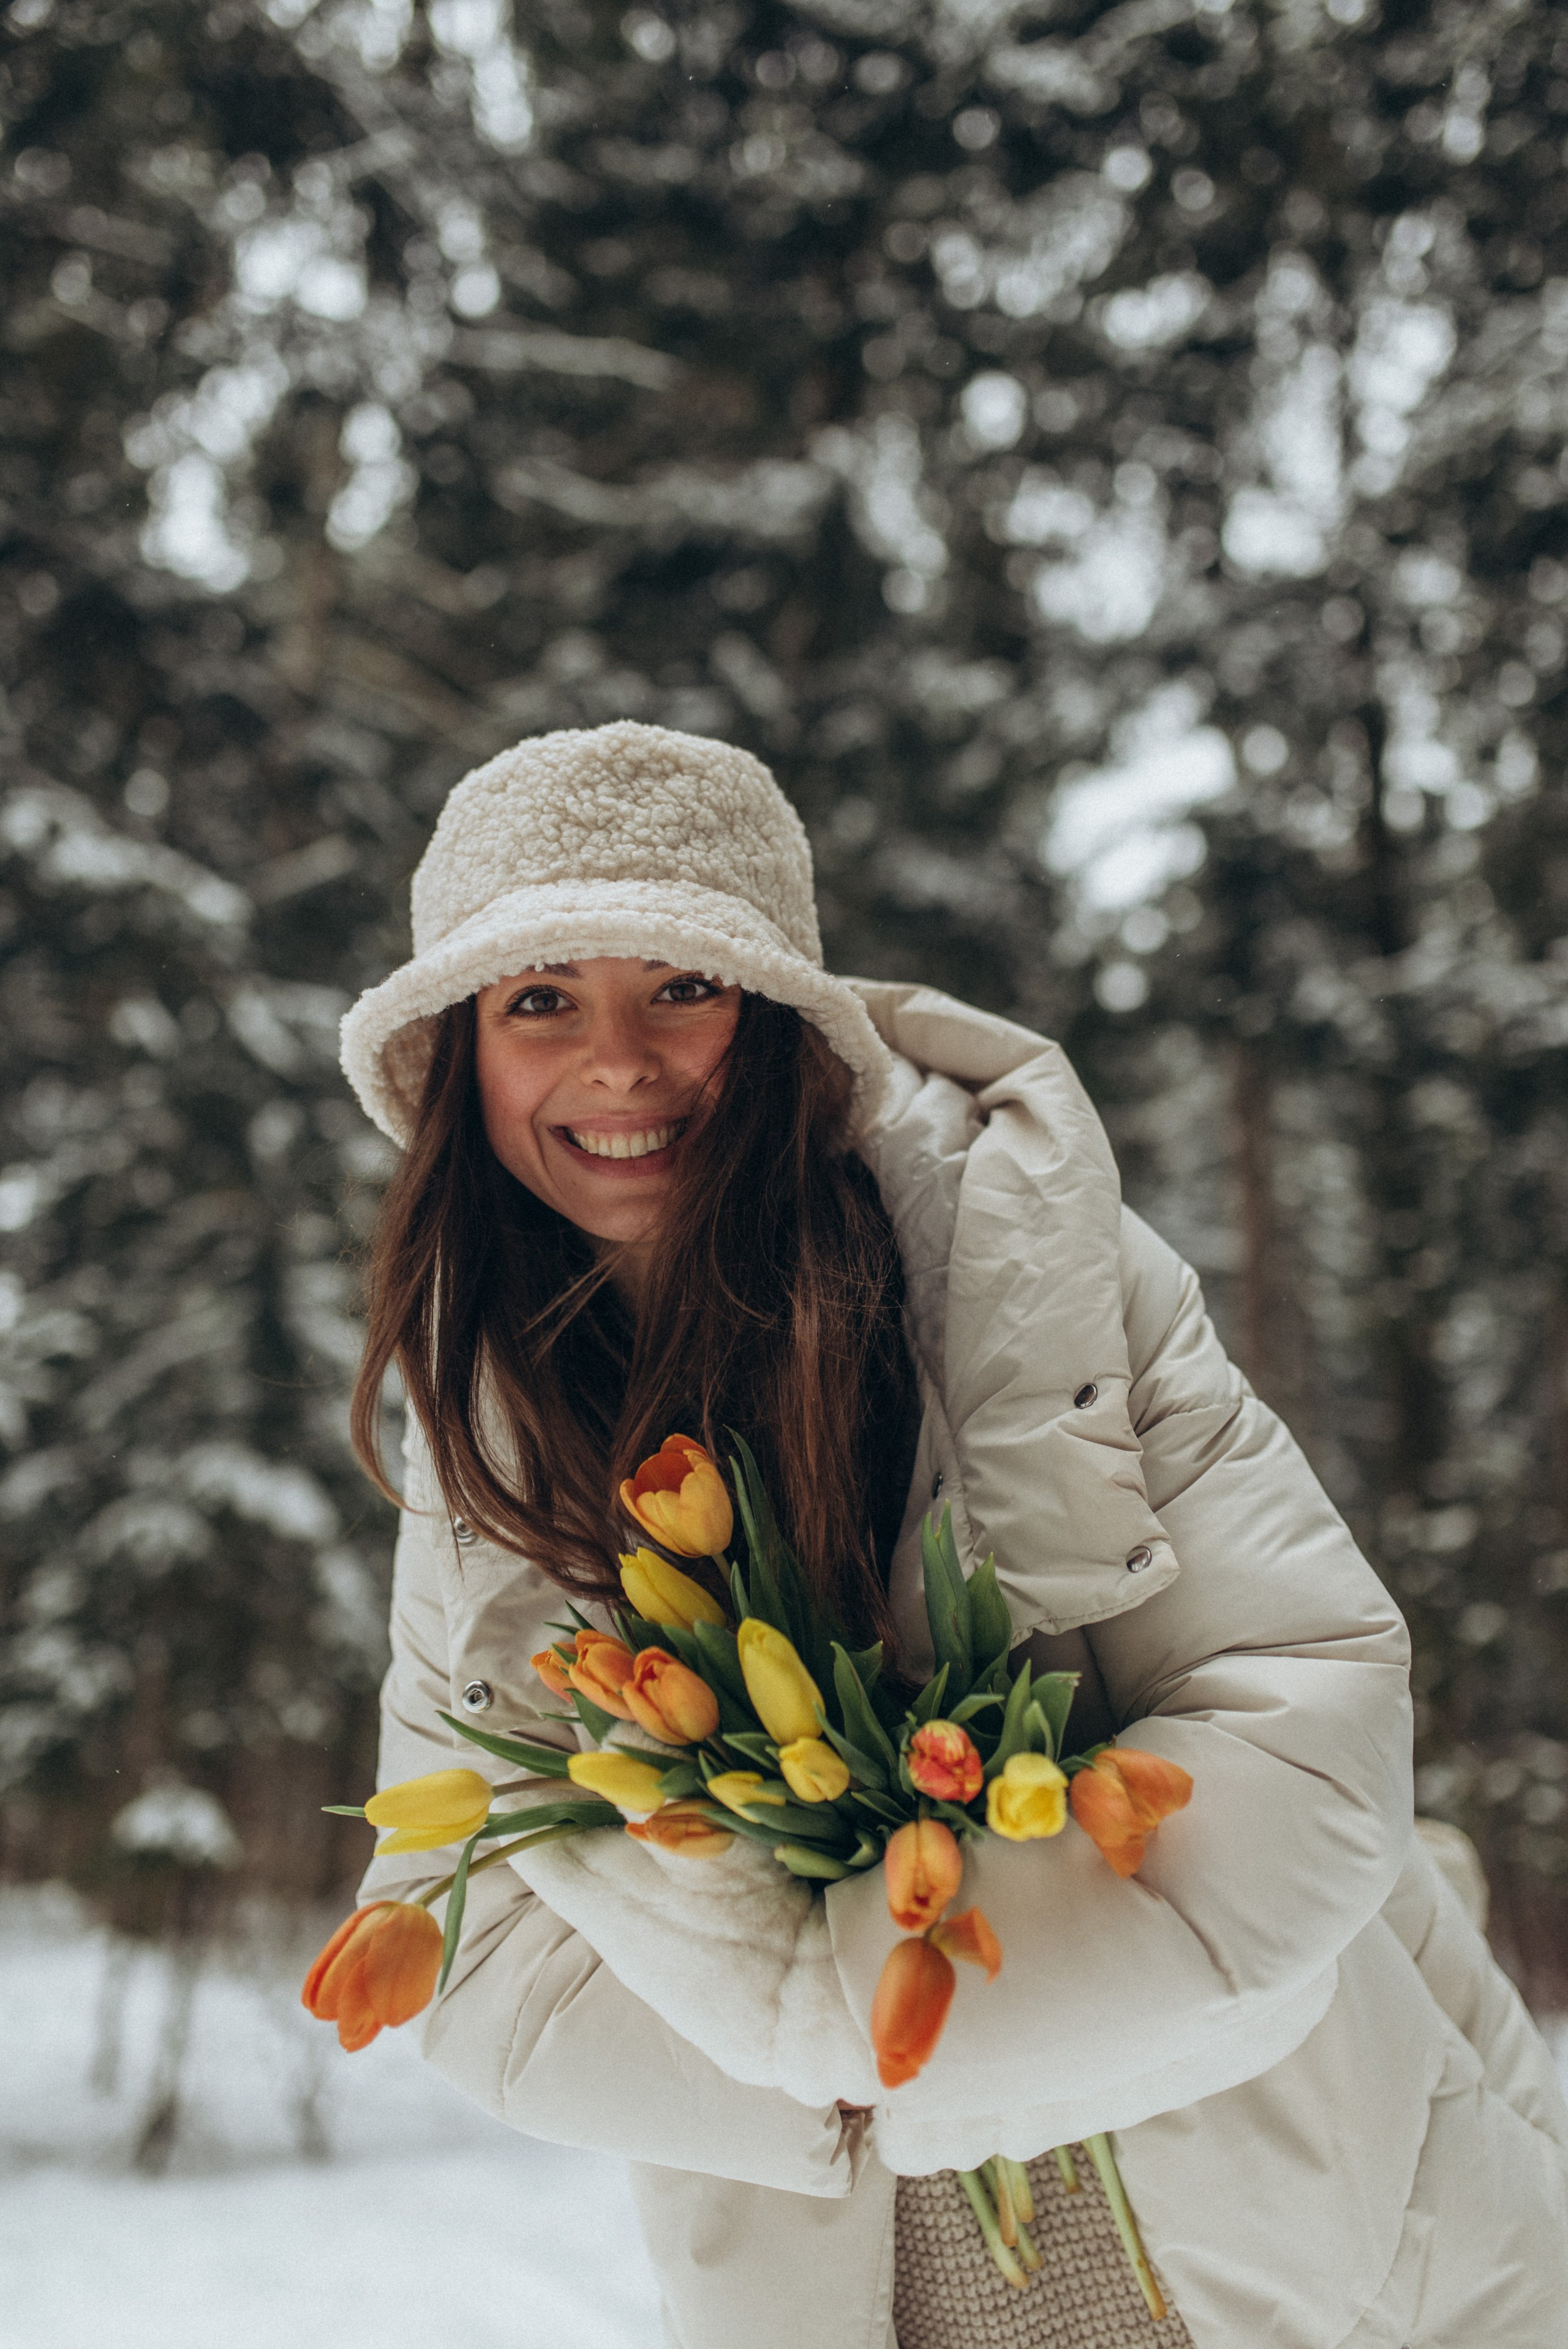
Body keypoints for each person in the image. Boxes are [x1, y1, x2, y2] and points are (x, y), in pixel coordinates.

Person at [337, 721, 1567, 2349]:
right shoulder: (486, 1444)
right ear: (460, 1051)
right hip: (839, 2285)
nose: (618, 1060)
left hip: (1292, 2223)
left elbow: (1310, 1709)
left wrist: (908, 2022)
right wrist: (835, 2068)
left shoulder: (1030, 1268)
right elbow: (466, 1930)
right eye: (542, 997)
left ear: (776, 1015)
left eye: (683, 987)